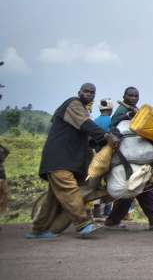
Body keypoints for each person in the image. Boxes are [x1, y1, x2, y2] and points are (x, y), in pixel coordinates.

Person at [27, 83, 119, 239]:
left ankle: (38, 230)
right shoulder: (73, 104)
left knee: (53, 199)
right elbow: (87, 125)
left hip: (62, 160)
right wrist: (106, 136)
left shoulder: (81, 110)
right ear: (79, 92)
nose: (89, 94)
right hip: (59, 159)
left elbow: (85, 136)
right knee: (70, 190)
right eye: (86, 91)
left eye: (92, 92)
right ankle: (83, 223)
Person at [104, 86, 153, 231]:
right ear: (124, 96)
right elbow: (113, 124)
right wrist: (128, 114)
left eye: (136, 96)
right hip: (126, 158)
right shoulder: (122, 110)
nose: (133, 98)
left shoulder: (136, 110)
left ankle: (113, 220)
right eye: (131, 96)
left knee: (132, 190)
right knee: (144, 187)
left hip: (133, 158)